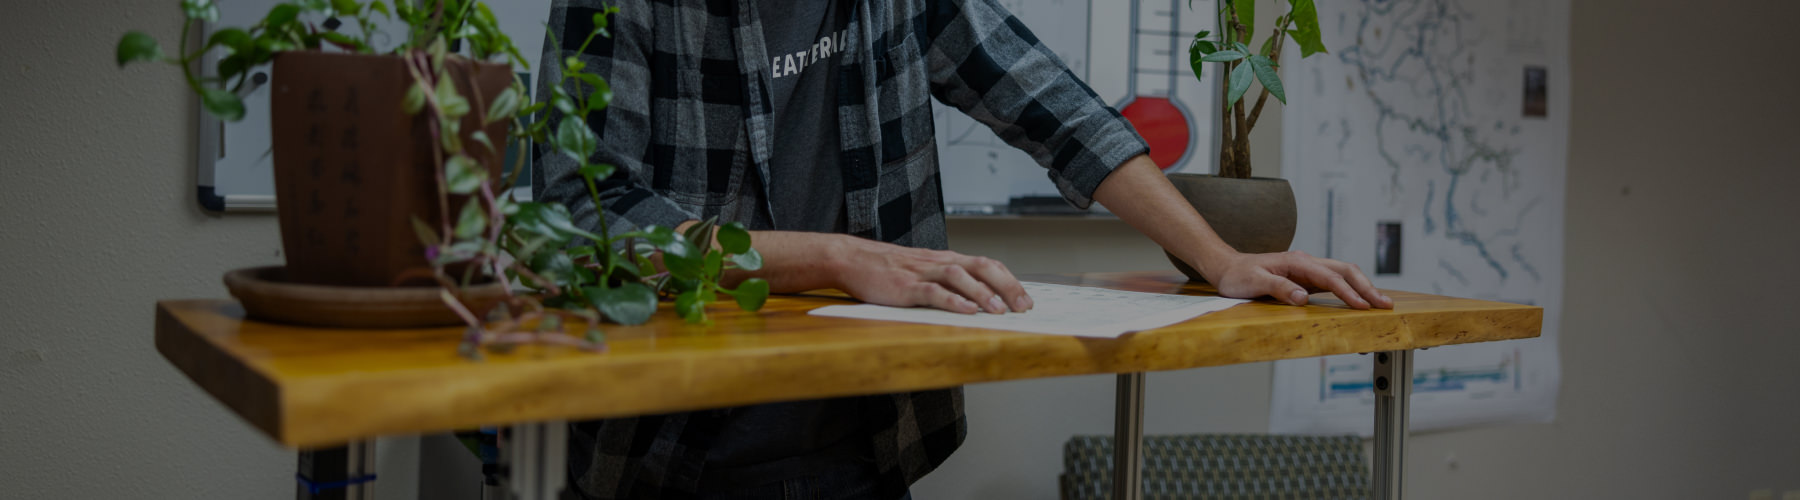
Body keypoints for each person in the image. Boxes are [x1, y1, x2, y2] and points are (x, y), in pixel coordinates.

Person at [534, 0, 1393, 498]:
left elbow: (1052, 104)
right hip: (669, 452)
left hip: (864, 444)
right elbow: (581, 219)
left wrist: (1221, 260)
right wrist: (831, 256)